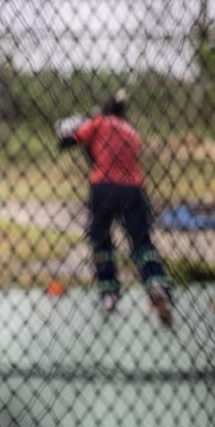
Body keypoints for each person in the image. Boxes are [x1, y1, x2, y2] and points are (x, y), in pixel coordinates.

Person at [56, 88, 174, 324]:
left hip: (103, 188)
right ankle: (156, 284)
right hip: (133, 189)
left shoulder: (99, 123)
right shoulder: (132, 132)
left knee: (100, 239)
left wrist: (68, 130)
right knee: (141, 242)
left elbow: (72, 138)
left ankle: (108, 292)